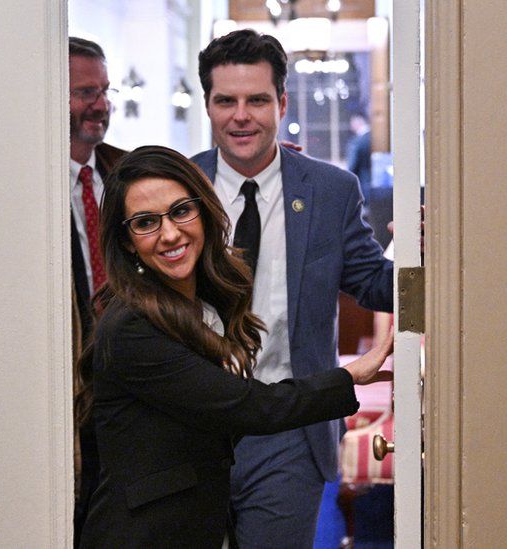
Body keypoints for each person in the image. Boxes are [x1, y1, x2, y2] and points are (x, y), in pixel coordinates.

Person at [75, 145, 393, 548]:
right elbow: (244, 406)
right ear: (126, 242)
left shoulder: (204, 301)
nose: (170, 233)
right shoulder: (131, 325)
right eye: (145, 222)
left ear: (204, 210)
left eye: (180, 211)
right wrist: (349, 376)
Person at [191, 29, 394, 547]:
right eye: (226, 101)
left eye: (257, 99)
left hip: (289, 428)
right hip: (191, 425)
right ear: (208, 105)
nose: (242, 116)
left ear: (281, 102)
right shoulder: (178, 188)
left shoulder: (331, 191)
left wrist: (426, 257)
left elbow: (373, 284)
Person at [68, 36, 126, 547]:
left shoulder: (124, 173)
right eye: (85, 91)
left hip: (126, 394)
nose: (101, 104)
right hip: (61, 401)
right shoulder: (23, 186)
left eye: (104, 90)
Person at [346, 112, 373, 203]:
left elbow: (353, 164)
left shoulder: (357, 141)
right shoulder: (374, 137)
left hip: (362, 181)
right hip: (375, 182)